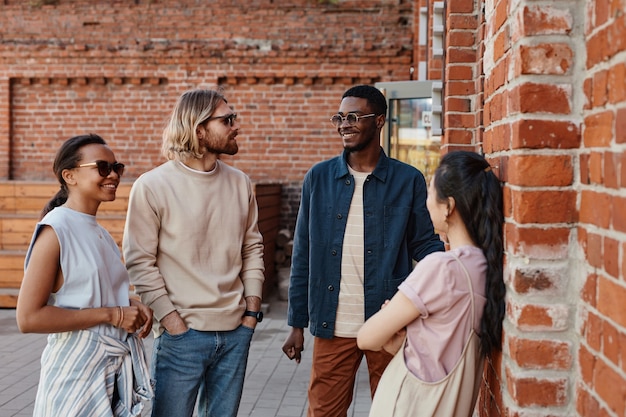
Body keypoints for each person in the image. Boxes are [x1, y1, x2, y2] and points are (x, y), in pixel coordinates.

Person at [282, 84, 445, 416]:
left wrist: (449, 271)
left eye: (354, 117)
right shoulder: (318, 178)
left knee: (394, 411)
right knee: (324, 412)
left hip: (388, 323)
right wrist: (296, 324)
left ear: (380, 121)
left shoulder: (408, 180)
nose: (345, 124)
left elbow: (424, 244)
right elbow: (303, 254)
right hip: (333, 325)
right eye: (340, 117)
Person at [122, 89, 265, 417]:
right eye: (227, 119)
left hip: (236, 333)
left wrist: (251, 316)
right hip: (181, 336)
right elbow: (139, 261)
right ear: (199, 129)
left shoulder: (241, 183)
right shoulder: (153, 186)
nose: (235, 126)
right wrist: (172, 322)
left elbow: (253, 248)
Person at [356, 151, 505, 417]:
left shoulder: (442, 268)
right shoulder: (485, 267)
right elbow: (441, 346)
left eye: (429, 192)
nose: (425, 202)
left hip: (409, 407)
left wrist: (395, 321)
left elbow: (366, 337)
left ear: (448, 206)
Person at [16, 133, 153, 417]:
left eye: (117, 167)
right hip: (74, 377)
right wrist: (113, 314)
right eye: (102, 167)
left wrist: (129, 306)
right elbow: (28, 318)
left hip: (107, 375)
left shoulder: (99, 232)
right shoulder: (56, 228)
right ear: (70, 176)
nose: (113, 175)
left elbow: (86, 292)